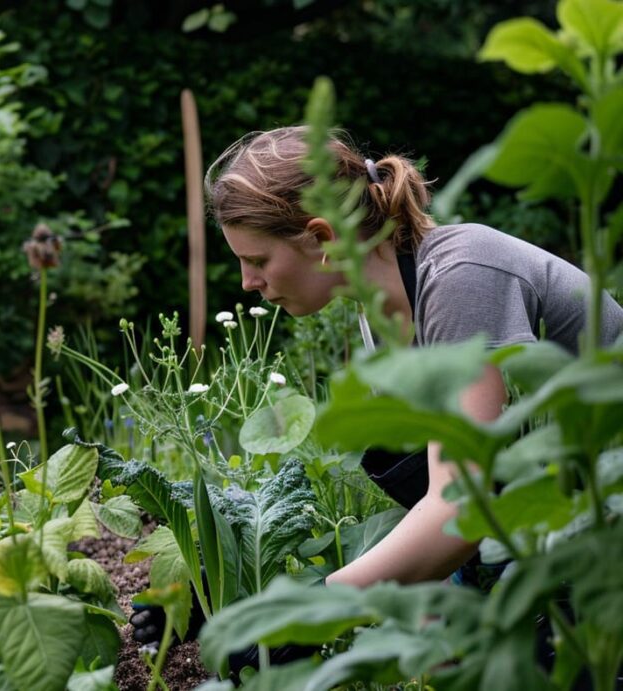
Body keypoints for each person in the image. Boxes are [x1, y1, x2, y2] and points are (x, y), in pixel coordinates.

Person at [130, 126, 623, 674]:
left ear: (321, 237)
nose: (247, 282)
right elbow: (441, 515)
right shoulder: (386, 317)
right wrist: (229, 605)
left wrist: (310, 612)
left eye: (259, 260)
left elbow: (463, 506)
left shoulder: (460, 277)